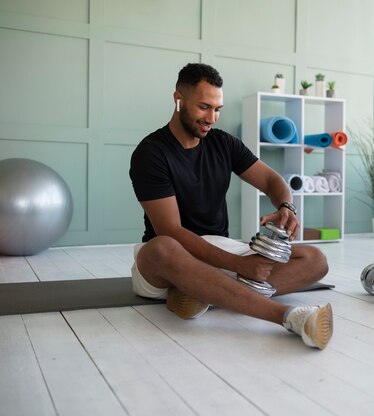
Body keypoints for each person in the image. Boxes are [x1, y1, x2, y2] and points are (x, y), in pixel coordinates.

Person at [129, 63, 333, 349]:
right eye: (204, 107)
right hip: (171, 259)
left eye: (217, 109)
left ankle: (199, 293)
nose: (211, 117)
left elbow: (272, 180)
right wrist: (239, 265)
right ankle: (292, 317)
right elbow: (171, 231)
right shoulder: (150, 153)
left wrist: (287, 206)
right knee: (161, 248)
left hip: (221, 251)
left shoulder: (223, 143)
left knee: (315, 259)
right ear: (178, 99)